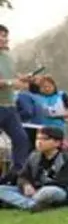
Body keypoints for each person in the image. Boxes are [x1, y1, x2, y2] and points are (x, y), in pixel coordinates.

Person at [0, 125, 68, 211]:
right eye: (38, 138)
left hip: (62, 191)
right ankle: (32, 205)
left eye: (44, 139)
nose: (39, 142)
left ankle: (17, 202)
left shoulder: (67, 159)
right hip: (35, 191)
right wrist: (26, 185)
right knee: (1, 189)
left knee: (47, 192)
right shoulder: (34, 156)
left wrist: (37, 189)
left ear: (57, 143)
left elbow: (62, 183)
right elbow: (23, 176)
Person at [0, 24, 31, 180]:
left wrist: (22, 78)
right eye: (1, 36)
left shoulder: (8, 57)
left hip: (10, 107)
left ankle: (17, 175)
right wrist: (12, 83)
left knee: (21, 139)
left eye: (5, 36)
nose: (4, 39)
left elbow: (12, 76)